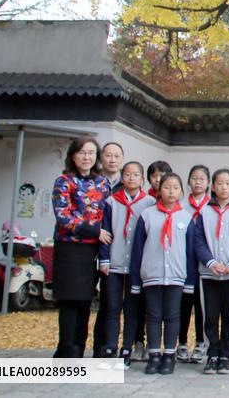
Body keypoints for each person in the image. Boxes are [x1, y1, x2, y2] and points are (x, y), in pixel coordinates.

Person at [129, 172, 198, 375]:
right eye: (166, 187)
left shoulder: (186, 218)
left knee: (172, 315)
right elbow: (138, 249)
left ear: (181, 192)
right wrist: (135, 280)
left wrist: (190, 281)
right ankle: (154, 355)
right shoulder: (147, 215)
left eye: (175, 187)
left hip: (176, 275)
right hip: (152, 274)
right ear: (159, 190)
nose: (171, 191)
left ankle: (169, 355)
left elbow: (190, 252)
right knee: (153, 315)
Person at [52, 136, 112, 359]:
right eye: (82, 152)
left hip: (92, 251)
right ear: (73, 155)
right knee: (70, 300)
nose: (86, 157)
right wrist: (94, 231)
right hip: (69, 249)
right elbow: (63, 217)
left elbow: (108, 213)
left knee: (85, 300)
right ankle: (68, 350)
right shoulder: (64, 181)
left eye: (91, 153)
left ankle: (79, 345)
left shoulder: (102, 183)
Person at [195, 168, 229, 375]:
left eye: (228, 183)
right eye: (219, 183)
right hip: (209, 273)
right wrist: (211, 262)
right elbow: (198, 240)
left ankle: (226, 354)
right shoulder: (204, 212)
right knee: (210, 315)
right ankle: (212, 354)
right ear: (213, 185)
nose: (224, 187)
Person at [99, 161, 155, 365]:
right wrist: (103, 259)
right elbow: (105, 233)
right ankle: (110, 346)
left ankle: (126, 348)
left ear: (142, 179)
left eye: (136, 175)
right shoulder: (111, 202)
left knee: (132, 308)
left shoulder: (149, 203)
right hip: (114, 262)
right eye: (128, 175)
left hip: (136, 266)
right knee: (113, 307)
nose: (132, 178)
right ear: (122, 178)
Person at [132, 160, 172, 361]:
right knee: (143, 306)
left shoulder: (174, 204)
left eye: (162, 175)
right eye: (155, 175)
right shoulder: (145, 203)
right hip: (147, 263)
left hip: (169, 266)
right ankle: (140, 341)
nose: (158, 179)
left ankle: (162, 346)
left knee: (165, 310)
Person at [92, 141, 126, 357]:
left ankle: (113, 346)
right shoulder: (93, 184)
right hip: (92, 248)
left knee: (113, 303)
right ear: (101, 158)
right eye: (108, 155)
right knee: (101, 303)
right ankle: (99, 348)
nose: (112, 160)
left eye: (116, 156)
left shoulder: (127, 185)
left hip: (117, 251)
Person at [178, 165, 211, 363]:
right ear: (188, 181)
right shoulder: (181, 206)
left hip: (206, 263)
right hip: (184, 261)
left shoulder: (212, 207)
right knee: (183, 303)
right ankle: (181, 342)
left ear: (209, 183)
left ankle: (200, 342)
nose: (197, 182)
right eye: (194, 178)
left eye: (202, 178)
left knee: (202, 305)